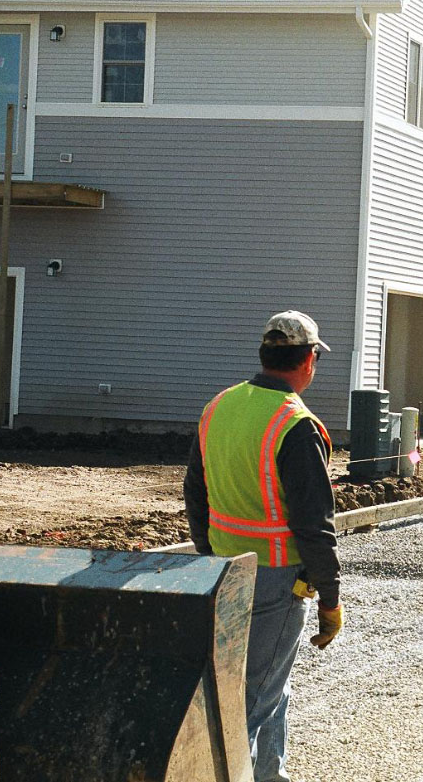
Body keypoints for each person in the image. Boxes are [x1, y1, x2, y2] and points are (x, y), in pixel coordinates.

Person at [183, 310, 343, 782]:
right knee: (249, 704)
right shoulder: (295, 423)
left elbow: (197, 489)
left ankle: (270, 775)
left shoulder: (220, 406)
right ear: (308, 359)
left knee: (270, 689)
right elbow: (315, 523)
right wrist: (330, 598)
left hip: (222, 569)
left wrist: (206, 555)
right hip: (275, 580)